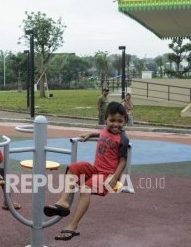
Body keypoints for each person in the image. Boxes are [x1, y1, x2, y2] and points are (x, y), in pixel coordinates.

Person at [43, 101, 129, 241]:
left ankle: (72, 225)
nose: (115, 124)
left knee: (85, 189)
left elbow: (122, 161)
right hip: (96, 170)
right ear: (106, 119)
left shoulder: (123, 139)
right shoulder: (104, 130)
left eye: (120, 121)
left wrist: (114, 178)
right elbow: (103, 134)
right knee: (74, 167)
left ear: (125, 121)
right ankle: (63, 201)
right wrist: (91, 134)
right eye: (112, 120)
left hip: (108, 175)